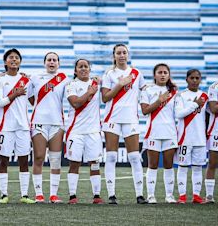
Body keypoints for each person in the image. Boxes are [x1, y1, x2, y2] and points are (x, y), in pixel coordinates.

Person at [101, 43, 147, 204]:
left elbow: (146, 90)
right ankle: (112, 195)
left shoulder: (137, 73)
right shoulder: (109, 74)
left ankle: (140, 195)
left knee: (134, 157)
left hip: (131, 119)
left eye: (124, 52)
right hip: (112, 118)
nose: (121, 55)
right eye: (118, 53)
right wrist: (120, 84)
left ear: (128, 55)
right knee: (111, 156)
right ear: (114, 56)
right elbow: (105, 97)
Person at [0, 48, 36, 204]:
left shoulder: (27, 80)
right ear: (5, 61)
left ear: (20, 61)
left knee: (24, 160)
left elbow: (33, 101)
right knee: (3, 160)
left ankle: (24, 195)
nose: (13, 60)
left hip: (23, 126)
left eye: (16, 58)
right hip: (5, 126)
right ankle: (4, 195)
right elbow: (0, 102)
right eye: (10, 57)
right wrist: (14, 94)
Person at [30, 52, 69, 203]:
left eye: (54, 60)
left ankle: (54, 194)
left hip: (57, 123)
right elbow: (30, 97)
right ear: (44, 62)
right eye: (49, 60)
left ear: (58, 63)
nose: (52, 62)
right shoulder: (35, 77)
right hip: (39, 122)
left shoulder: (64, 79)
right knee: (38, 157)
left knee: (55, 159)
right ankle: (39, 194)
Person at [65, 58, 103, 204]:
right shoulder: (71, 85)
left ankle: (97, 195)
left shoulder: (96, 83)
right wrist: (89, 92)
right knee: (74, 163)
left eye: (85, 66)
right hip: (76, 131)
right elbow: (75, 103)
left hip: (93, 131)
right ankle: (72, 196)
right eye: (80, 67)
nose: (83, 69)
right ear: (75, 70)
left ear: (89, 69)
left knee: (94, 163)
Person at [140, 63, 178, 204]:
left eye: (165, 72)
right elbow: (145, 110)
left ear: (169, 75)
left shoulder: (174, 92)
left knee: (169, 165)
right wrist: (159, 100)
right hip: (153, 132)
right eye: (160, 72)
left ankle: (169, 195)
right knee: (153, 165)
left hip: (170, 132)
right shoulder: (147, 90)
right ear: (154, 75)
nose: (162, 75)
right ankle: (151, 195)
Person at [175, 69, 208, 204]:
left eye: (197, 78)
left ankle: (196, 196)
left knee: (198, 167)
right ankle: (182, 196)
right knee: (182, 167)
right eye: (192, 78)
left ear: (200, 80)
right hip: (185, 138)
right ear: (187, 79)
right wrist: (195, 104)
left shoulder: (205, 96)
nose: (195, 81)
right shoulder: (181, 95)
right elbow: (179, 114)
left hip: (200, 138)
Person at [205, 80, 218, 203]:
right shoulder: (214, 86)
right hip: (216, 131)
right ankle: (209, 196)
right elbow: (214, 108)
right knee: (213, 163)